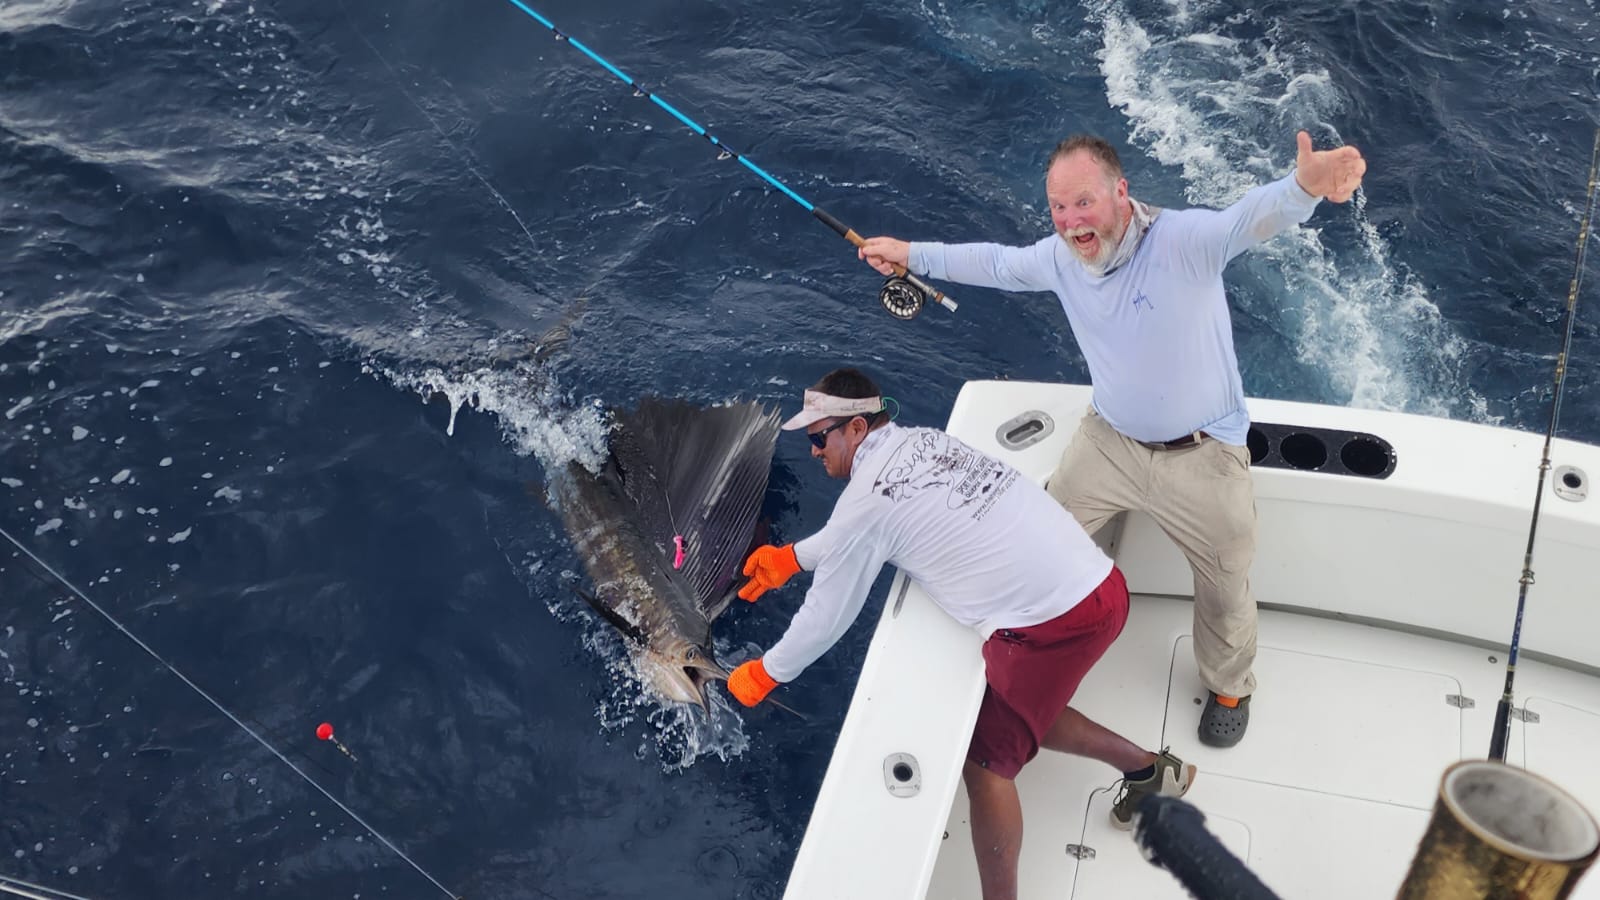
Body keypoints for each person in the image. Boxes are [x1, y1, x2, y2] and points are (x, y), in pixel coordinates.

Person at [853, 131, 1367, 748]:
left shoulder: (1181, 242)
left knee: (1227, 581)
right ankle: (1039, 643)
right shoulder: (1061, 257)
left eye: (1083, 203)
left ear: (1121, 193)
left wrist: (1304, 186)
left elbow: (1246, 221)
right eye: (1058, 208)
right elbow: (995, 263)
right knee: (1040, 535)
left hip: (1202, 453)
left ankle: (1231, 685)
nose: (1071, 222)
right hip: (1109, 443)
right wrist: (912, 254)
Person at [727, 367, 1196, 900]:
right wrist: (792, 557)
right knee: (1016, 711)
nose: (813, 450)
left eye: (819, 437)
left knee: (987, 764)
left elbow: (828, 615)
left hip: (1056, 625)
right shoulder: (923, 441)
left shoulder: (868, 501)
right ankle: (1150, 772)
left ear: (856, 430)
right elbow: (849, 534)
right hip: (1104, 587)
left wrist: (767, 672)